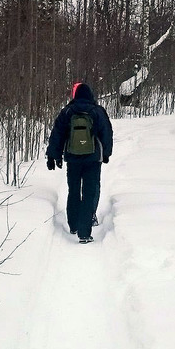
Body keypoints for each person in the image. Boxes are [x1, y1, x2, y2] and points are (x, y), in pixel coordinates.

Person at [46, 81, 113, 243]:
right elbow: (107, 133)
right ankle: (84, 233)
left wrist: (53, 155)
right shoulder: (97, 111)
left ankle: (74, 225)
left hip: (73, 157)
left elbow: (58, 134)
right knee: (89, 193)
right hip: (93, 158)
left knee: (74, 191)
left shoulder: (68, 111)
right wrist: (106, 153)